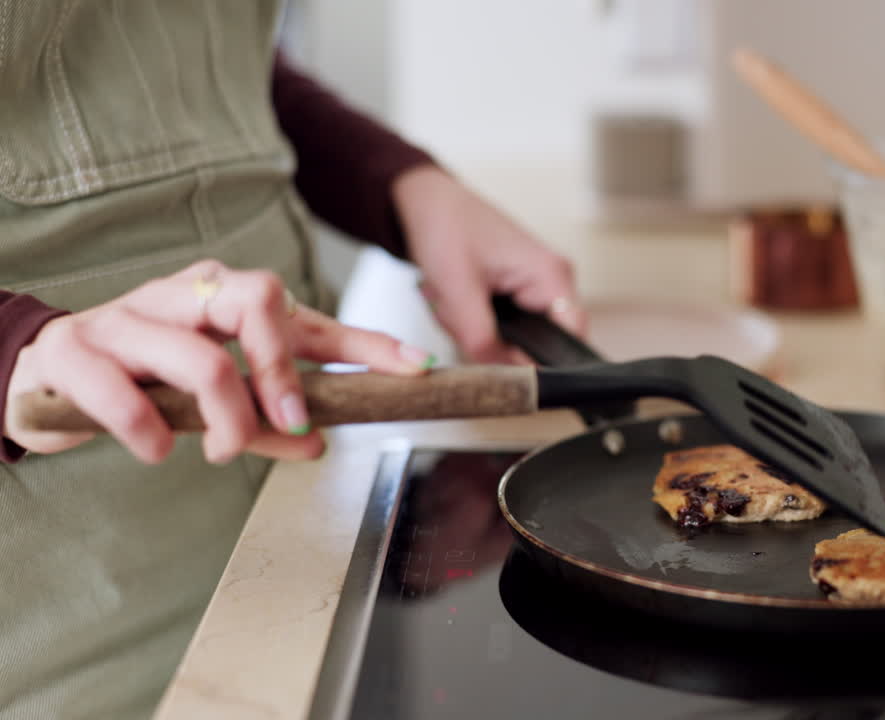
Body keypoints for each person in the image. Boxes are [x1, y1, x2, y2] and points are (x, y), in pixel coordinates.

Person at [0, 2, 583, 717]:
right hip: (74, 624)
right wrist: (13, 343)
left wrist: (401, 182)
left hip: (306, 521)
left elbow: (174, 61)